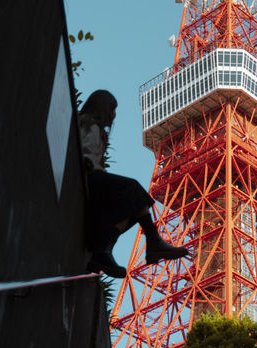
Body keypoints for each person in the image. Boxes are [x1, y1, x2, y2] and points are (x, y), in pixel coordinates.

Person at [78, 89, 188, 278]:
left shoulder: (96, 130)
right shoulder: (86, 124)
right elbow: (83, 153)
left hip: (93, 181)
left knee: (134, 202)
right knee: (133, 189)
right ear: (103, 109)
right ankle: (152, 241)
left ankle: (105, 250)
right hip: (87, 177)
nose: (114, 115)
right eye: (112, 110)